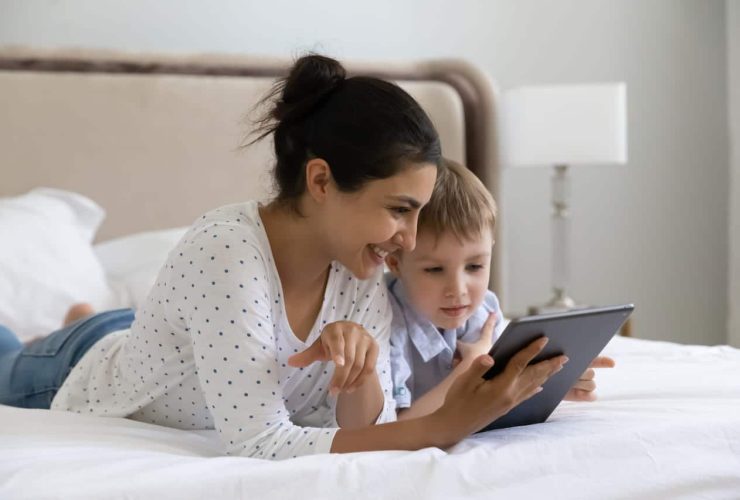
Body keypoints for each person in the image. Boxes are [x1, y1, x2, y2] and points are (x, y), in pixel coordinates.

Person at [0, 54, 566, 460]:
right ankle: (70, 327)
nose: (411, 240)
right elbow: (261, 442)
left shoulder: (362, 266)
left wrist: (361, 375)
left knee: (121, 326)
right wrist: (445, 426)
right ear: (321, 180)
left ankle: (83, 318)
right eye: (399, 209)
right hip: (70, 376)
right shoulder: (227, 253)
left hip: (165, 345)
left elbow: (367, 427)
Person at [385, 159, 615, 420]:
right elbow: (398, 425)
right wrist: (468, 370)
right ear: (394, 262)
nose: (458, 290)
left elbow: (494, 391)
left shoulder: (484, 310)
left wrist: (549, 384)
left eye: (474, 266)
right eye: (435, 270)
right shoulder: (384, 321)